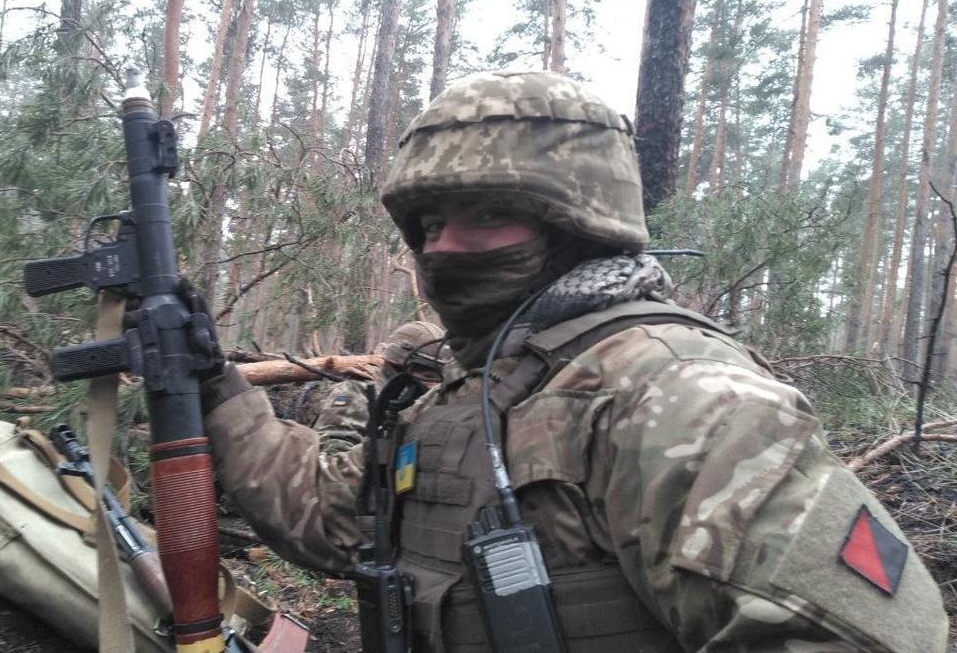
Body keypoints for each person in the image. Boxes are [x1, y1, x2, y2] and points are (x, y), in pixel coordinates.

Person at [195, 72, 949, 651]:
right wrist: (212, 384)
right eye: (430, 222)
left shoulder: (675, 391)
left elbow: (863, 636)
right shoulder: (469, 394)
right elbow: (333, 520)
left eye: (488, 213)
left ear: (578, 225)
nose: (442, 247)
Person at [312, 320, 447, 453]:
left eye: (439, 379)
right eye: (428, 376)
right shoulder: (357, 391)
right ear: (398, 369)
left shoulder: (432, 400)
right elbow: (333, 452)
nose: (434, 387)